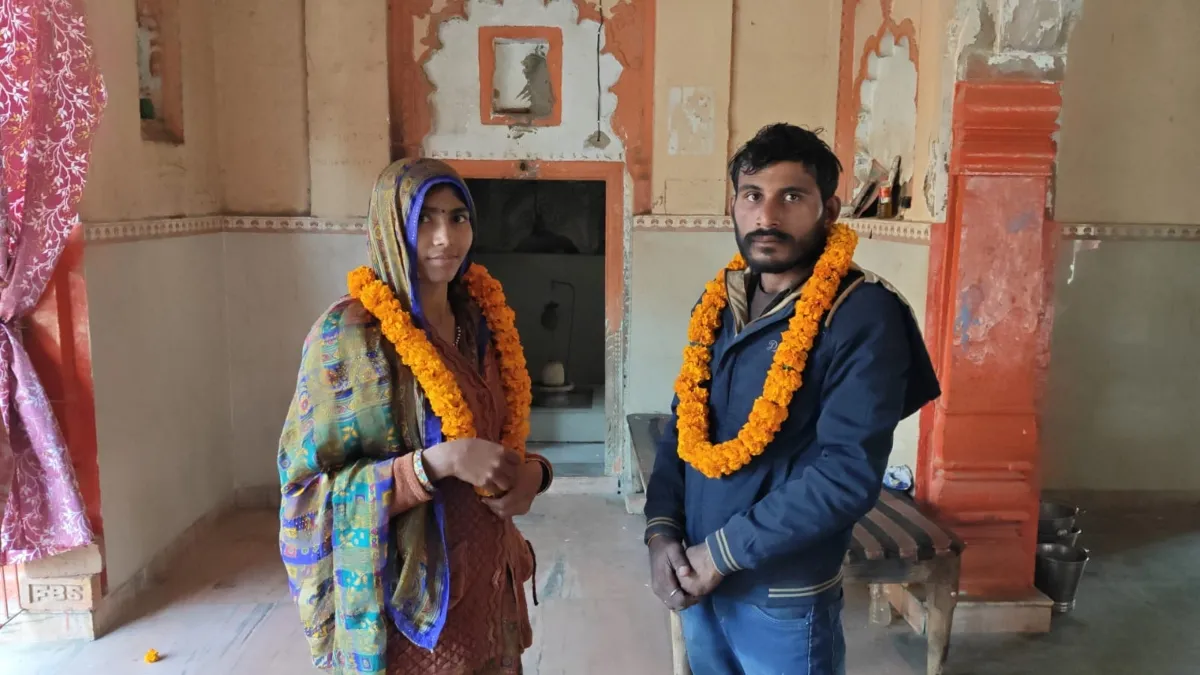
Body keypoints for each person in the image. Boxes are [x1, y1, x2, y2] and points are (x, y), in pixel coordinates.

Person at [643, 124, 940, 675]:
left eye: (792, 197)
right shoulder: (721, 302)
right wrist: (661, 532)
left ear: (829, 210)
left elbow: (846, 474)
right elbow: (685, 424)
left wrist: (721, 554)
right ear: (734, 204)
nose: (767, 216)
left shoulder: (862, 313)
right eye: (752, 195)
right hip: (697, 579)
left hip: (781, 594)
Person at [279, 158, 554, 675]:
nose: (445, 237)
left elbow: (497, 438)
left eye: (457, 217)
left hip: (488, 583)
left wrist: (535, 474)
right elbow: (307, 494)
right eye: (424, 218)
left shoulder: (481, 322)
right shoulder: (349, 337)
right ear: (390, 224)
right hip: (409, 603)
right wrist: (435, 464)